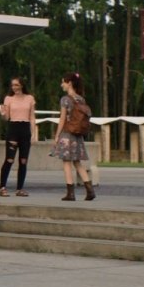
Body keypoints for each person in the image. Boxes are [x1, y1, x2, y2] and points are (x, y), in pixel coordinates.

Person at [53, 72, 96, 201]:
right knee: (77, 162)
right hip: (78, 135)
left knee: (66, 163)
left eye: (63, 82)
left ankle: (70, 193)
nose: (62, 85)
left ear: (69, 83)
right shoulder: (81, 99)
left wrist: (57, 136)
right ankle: (90, 190)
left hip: (67, 134)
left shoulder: (65, 99)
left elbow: (62, 119)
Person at [0, 77, 37, 197]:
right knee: (9, 159)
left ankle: (19, 188)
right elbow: (6, 117)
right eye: (12, 85)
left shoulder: (29, 98)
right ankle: (2, 187)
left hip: (25, 129)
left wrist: (34, 133)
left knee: (23, 161)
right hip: (13, 128)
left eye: (16, 85)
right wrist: (3, 114)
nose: (14, 87)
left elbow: (32, 116)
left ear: (22, 85)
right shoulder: (9, 99)